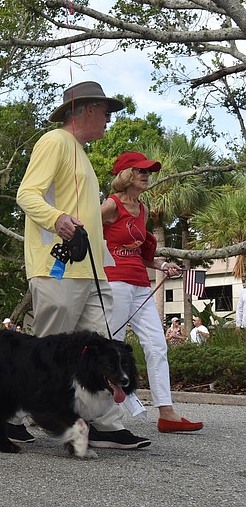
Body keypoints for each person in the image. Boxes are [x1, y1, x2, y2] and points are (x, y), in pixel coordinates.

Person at [16, 80, 150, 449]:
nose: (109, 121)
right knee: (47, 350)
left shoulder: (80, 153)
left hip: (91, 269)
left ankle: (106, 422)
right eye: (106, 113)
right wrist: (57, 218)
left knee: (104, 349)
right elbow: (27, 194)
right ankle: (12, 415)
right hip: (57, 267)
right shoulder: (54, 141)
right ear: (87, 109)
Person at [102, 151, 203, 433]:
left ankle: (166, 412)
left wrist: (161, 264)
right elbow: (85, 233)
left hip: (141, 283)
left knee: (157, 345)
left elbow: (142, 252)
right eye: (139, 171)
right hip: (115, 282)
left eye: (148, 171)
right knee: (114, 345)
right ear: (125, 176)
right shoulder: (111, 205)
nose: (146, 175)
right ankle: (102, 415)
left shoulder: (143, 209)